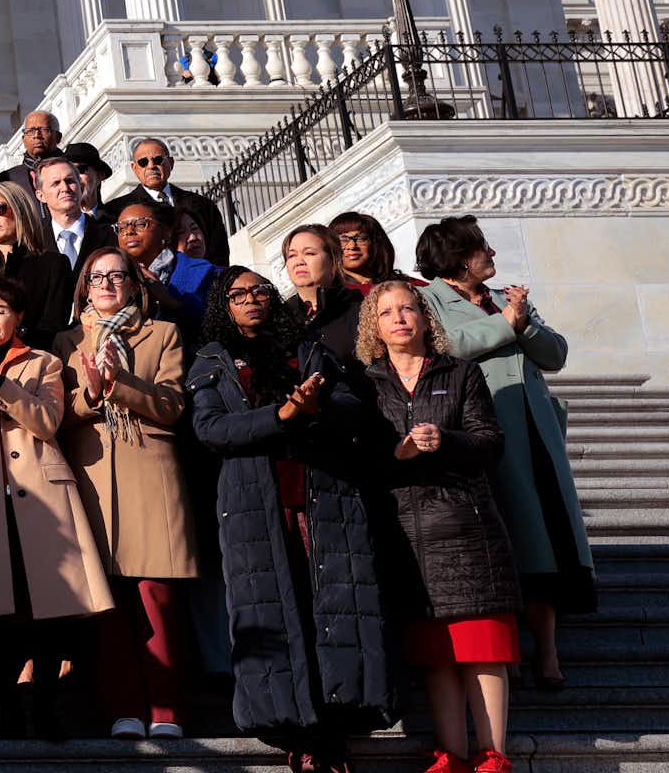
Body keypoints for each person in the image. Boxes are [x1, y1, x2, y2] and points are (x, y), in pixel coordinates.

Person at [188, 270, 392, 773]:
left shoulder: (308, 348)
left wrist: (316, 408)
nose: (252, 301)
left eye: (261, 292)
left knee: (331, 609)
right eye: (239, 296)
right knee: (275, 615)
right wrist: (281, 415)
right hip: (255, 505)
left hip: (322, 497)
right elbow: (212, 429)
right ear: (225, 306)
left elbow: (354, 409)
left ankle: (334, 731)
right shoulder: (211, 360)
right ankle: (296, 734)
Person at [414, 215, 593, 691]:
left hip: (535, 430)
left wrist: (520, 322)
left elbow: (555, 353)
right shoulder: (429, 298)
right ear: (456, 257)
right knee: (507, 535)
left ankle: (549, 653)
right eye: (481, 249)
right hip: (480, 431)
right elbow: (445, 345)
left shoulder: (502, 299)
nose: (491, 255)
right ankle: (509, 648)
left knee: (548, 535)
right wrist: (507, 324)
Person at [0, 269, 112, 740]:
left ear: (18, 317)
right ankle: (9, 710)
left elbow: (46, 422)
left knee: (49, 611)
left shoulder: (44, 363)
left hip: (41, 498)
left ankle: (48, 709)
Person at [357, 279, 520, 773]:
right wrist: (398, 452)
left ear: (427, 319)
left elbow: (490, 444)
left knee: (481, 645)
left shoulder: (461, 372)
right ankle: (448, 753)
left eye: (409, 308)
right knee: (437, 652)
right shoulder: (365, 383)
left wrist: (444, 440)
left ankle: (493, 755)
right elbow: (361, 458)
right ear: (374, 327)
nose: (400, 318)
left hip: (466, 526)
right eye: (387, 312)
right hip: (404, 531)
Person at [55, 247, 198, 739]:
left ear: (136, 286)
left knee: (157, 600)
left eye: (118, 277)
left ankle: (167, 711)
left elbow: (173, 403)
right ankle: (123, 711)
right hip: (92, 476)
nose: (108, 285)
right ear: (85, 288)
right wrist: (91, 395)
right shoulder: (68, 340)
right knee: (108, 603)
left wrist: (120, 386)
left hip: (150, 473)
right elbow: (59, 412)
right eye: (98, 278)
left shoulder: (163, 334)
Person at [0, 180, 74, 344]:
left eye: (0, 208)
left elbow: (54, 326)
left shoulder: (54, 264)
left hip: (35, 362)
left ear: (20, 211)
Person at [110, 196, 217, 339]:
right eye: (121, 227)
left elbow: (217, 324)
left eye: (141, 224)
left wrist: (168, 300)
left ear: (166, 232)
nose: (129, 231)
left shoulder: (204, 272)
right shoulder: (110, 276)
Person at [117, 137, 231, 266]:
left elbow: (219, 254)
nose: (151, 166)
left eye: (158, 160)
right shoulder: (119, 210)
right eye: (143, 162)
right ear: (134, 168)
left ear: (170, 163)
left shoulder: (203, 205)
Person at [282, 224, 366, 359]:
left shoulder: (360, 307)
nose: (299, 261)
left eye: (309, 253)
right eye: (292, 255)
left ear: (333, 260)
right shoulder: (282, 317)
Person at [333, 211, 414, 289]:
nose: (352, 246)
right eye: (343, 240)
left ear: (375, 244)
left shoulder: (408, 285)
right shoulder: (330, 294)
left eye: (361, 238)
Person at [0, 112, 64, 196]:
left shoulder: (77, 169)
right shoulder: (7, 179)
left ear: (58, 137)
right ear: (23, 139)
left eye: (44, 129)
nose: (36, 135)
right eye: (30, 131)